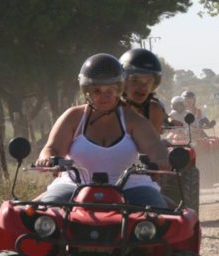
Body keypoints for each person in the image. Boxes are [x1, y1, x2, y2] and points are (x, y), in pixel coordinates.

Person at [35, 53, 169, 207]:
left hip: (132, 187)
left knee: (161, 218)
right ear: (86, 91)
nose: (104, 96)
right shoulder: (73, 117)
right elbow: (52, 148)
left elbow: (154, 146)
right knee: (46, 213)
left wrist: (160, 159)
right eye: (97, 90)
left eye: (110, 91)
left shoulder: (133, 120)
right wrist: (47, 158)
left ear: (119, 89)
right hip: (74, 185)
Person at [120, 47, 166, 133]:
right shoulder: (111, 109)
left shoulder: (154, 110)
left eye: (148, 81)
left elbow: (152, 143)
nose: (142, 87)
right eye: (135, 81)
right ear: (123, 82)